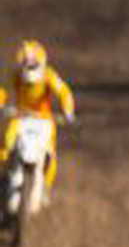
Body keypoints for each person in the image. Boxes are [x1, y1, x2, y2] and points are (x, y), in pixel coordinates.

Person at [1, 41, 76, 198]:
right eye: (26, 63)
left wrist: (67, 111)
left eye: (33, 63)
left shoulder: (49, 75)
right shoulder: (16, 76)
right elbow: (3, 90)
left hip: (44, 119)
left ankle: (46, 187)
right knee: (6, 144)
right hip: (20, 116)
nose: (30, 66)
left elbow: (63, 92)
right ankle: (3, 175)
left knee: (50, 153)